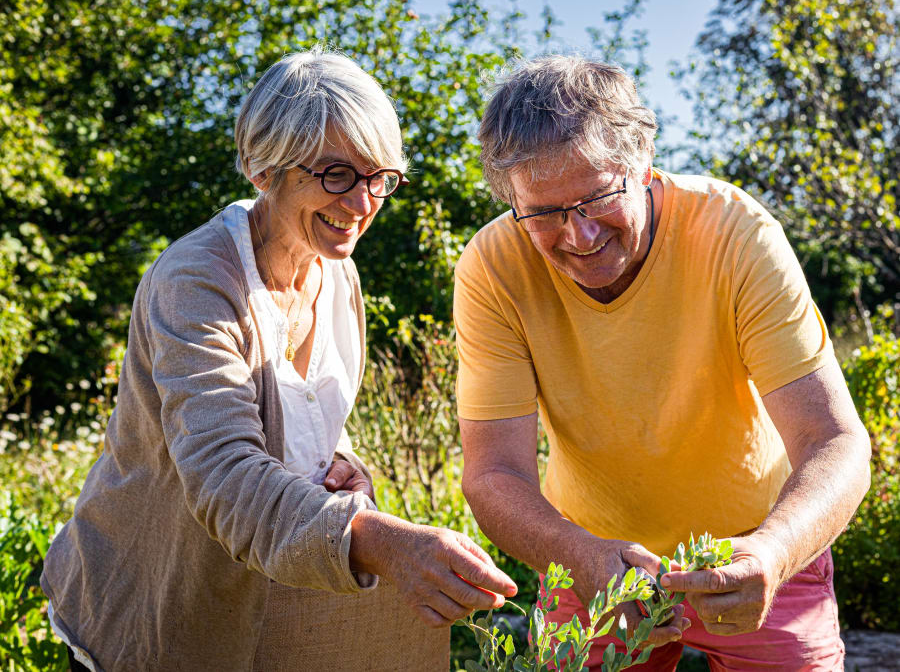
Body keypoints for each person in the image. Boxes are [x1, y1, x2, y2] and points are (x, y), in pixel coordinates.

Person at [41, 47, 516, 672]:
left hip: (267, 600)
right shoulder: (197, 281)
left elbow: (305, 410)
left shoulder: (336, 273)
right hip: (155, 600)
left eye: (380, 177)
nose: (363, 202)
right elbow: (223, 472)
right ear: (263, 170)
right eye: (336, 174)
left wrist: (340, 463)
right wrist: (376, 539)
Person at [454, 54, 871, 670]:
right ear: (512, 199)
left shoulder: (736, 233)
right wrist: (585, 559)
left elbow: (835, 441)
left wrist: (773, 552)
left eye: (597, 199)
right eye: (543, 214)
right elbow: (494, 475)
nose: (580, 236)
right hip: (588, 553)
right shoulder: (493, 267)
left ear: (642, 164)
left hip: (758, 544)